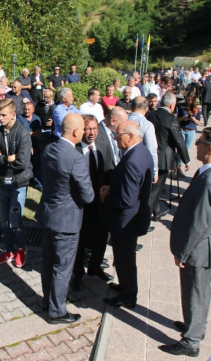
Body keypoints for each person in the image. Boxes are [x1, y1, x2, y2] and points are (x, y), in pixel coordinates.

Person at [160, 128, 211, 357]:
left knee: (195, 293)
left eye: (199, 142)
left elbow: (199, 224)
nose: (196, 145)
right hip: (204, 247)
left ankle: (191, 342)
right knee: (198, 292)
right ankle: (195, 326)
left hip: (199, 250)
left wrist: (183, 252)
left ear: (210, 148)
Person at [36, 113, 94, 324]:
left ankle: (47, 300)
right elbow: (88, 196)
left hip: (48, 214)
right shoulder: (76, 158)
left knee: (48, 261)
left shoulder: (49, 149)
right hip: (66, 220)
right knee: (62, 267)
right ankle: (58, 311)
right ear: (76, 132)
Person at [100, 121, 153, 308]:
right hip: (132, 217)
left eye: (118, 134)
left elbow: (126, 200)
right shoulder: (141, 152)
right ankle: (125, 286)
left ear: (130, 136)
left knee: (125, 259)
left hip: (125, 220)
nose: (115, 138)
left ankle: (128, 296)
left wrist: (106, 197)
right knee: (124, 258)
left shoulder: (132, 161)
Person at [71, 115, 115, 291]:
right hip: (81, 205)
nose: (91, 133)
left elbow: (110, 170)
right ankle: (77, 273)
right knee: (80, 241)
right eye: (88, 129)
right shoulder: (74, 150)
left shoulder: (103, 146)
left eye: (95, 128)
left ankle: (95, 267)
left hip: (100, 203)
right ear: (81, 130)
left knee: (101, 237)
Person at [0, 99, 33, 268]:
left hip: (18, 183)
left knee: (15, 219)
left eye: (3, 115)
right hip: (2, 182)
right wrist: (7, 158)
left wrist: (0, 158)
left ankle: (22, 248)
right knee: (4, 220)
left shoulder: (22, 133)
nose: (0, 118)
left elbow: (22, 163)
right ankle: (9, 250)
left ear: (13, 115)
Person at [146, 92, 190, 221]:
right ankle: (145, 217)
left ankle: (157, 211)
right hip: (163, 158)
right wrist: (186, 159)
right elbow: (179, 141)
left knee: (151, 187)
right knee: (156, 189)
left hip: (149, 155)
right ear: (171, 105)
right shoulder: (172, 119)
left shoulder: (150, 115)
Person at [128, 97, 159, 185]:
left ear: (131, 107)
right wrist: (154, 171)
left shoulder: (122, 120)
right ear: (147, 109)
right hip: (139, 166)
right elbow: (151, 149)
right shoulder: (147, 125)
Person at [17, 102, 42, 189]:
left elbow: (38, 132)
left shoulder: (37, 118)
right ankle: (24, 181)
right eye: (25, 109)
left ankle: (37, 182)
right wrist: (32, 133)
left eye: (29, 109)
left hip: (35, 144)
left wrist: (27, 133)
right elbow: (20, 133)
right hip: (23, 144)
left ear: (33, 110)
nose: (27, 111)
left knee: (36, 164)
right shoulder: (19, 118)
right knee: (24, 163)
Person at [176, 93, 201, 177]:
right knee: (180, 148)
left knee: (186, 149)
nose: (189, 101)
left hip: (191, 131)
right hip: (182, 129)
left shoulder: (196, 109)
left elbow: (198, 122)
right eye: (188, 99)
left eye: (191, 100)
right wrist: (184, 118)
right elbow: (177, 119)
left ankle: (179, 167)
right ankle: (178, 168)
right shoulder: (181, 106)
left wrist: (193, 119)